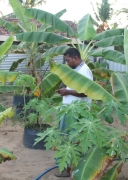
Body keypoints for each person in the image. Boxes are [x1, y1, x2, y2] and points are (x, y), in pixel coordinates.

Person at [54, 47, 93, 177]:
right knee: (65, 139)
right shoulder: (76, 70)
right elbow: (75, 89)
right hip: (69, 111)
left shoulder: (84, 71)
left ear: (75, 58)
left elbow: (86, 91)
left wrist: (68, 92)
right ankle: (65, 167)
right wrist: (65, 90)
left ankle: (68, 169)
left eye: (68, 60)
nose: (67, 63)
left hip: (76, 113)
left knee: (71, 141)